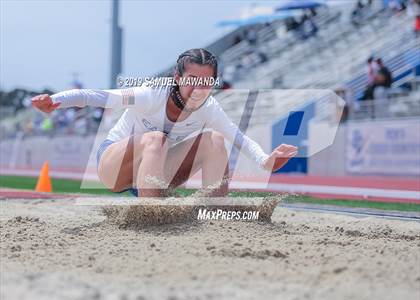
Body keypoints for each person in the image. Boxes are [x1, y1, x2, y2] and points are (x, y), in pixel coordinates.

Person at [31, 48, 298, 198]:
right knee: (156, 139)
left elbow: (239, 138)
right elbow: (97, 96)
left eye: (206, 82)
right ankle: (152, 216)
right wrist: (55, 101)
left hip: (156, 171)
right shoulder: (151, 93)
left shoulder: (210, 108)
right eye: (192, 80)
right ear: (177, 77)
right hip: (114, 167)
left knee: (215, 140)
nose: (198, 88)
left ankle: (216, 214)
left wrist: (266, 161)